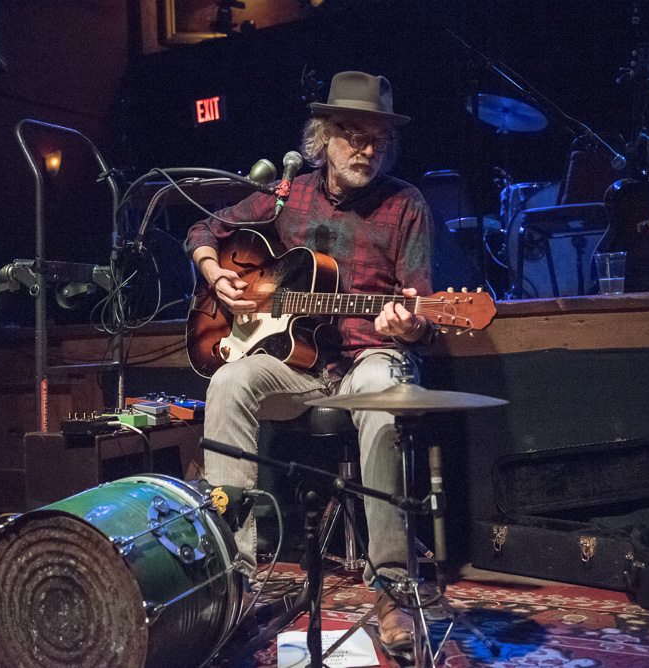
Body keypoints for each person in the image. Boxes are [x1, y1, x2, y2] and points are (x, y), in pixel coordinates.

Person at [184, 71, 436, 655]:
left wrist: (411, 322)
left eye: (377, 138)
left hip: (371, 356)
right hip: (297, 366)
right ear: (322, 138)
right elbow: (205, 226)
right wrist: (215, 272)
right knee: (228, 381)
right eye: (352, 135)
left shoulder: (407, 205)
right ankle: (236, 578)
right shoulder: (285, 195)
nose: (366, 149)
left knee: (380, 387)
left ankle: (392, 586)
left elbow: (420, 306)